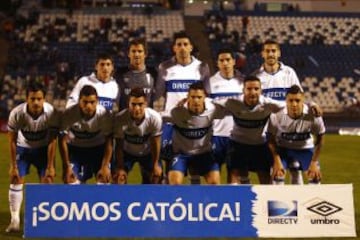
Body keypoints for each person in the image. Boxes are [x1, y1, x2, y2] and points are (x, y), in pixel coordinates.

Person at [154, 31, 211, 184]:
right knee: (168, 161)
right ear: (174, 48)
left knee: (195, 164)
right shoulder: (165, 67)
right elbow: (158, 95)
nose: (182, 48)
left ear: (191, 47)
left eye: (185, 44)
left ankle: (194, 198)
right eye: (179, 45)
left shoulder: (202, 67)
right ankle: (167, 196)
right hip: (171, 122)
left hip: (194, 122)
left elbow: (208, 95)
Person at [6, 81, 59, 232]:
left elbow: (52, 141)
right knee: (16, 178)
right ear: (26, 99)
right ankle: (15, 220)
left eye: (39, 99)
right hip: (23, 149)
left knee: (48, 181)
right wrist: (13, 166)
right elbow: (11, 141)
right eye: (32, 99)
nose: (36, 102)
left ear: (44, 99)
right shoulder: (17, 113)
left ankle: (44, 220)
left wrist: (50, 166)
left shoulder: (51, 113)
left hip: (43, 149)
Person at [214, 76, 284, 184]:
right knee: (233, 175)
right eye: (249, 89)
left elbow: (289, 106)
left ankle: (265, 199)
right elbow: (211, 102)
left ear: (261, 90)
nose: (253, 92)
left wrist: (312, 105)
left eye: (256, 89)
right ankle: (233, 199)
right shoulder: (232, 101)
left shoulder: (269, 104)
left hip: (259, 144)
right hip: (237, 144)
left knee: (265, 178)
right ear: (243, 90)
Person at [253, 39, 305, 184]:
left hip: (290, 128)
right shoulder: (256, 76)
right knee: (276, 171)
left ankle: (298, 202)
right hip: (268, 131)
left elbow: (298, 96)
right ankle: (276, 205)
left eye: (273, 51)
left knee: (296, 169)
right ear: (262, 54)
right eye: (267, 51)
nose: (270, 54)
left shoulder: (289, 73)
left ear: (279, 53)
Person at [163, 82, 222, 185]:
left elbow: (232, 108)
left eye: (199, 97)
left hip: (204, 153)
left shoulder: (214, 109)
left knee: (215, 183)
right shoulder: (177, 112)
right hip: (182, 154)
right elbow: (156, 117)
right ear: (188, 97)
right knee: (174, 184)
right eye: (193, 97)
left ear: (205, 98)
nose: (196, 100)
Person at [267, 85, 325, 185]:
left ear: (303, 100)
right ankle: (280, 200)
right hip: (283, 149)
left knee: (314, 177)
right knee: (277, 175)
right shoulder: (276, 115)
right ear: (286, 101)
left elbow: (320, 139)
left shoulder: (313, 115)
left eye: (297, 100)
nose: (294, 104)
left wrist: (314, 162)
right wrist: (276, 160)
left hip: (305, 150)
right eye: (291, 100)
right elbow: (270, 139)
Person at [59, 85, 113, 184]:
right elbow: (62, 140)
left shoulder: (104, 115)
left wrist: (105, 165)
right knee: (71, 183)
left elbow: (109, 141)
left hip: (98, 150)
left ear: (97, 101)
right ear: (79, 101)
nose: (88, 106)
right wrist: (66, 166)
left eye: (92, 102)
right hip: (76, 150)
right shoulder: (69, 114)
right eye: (85, 102)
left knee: (104, 182)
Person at [205, 48, 244, 183]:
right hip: (215, 135)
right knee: (213, 181)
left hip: (236, 136)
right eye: (222, 60)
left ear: (233, 62)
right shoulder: (210, 82)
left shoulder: (243, 82)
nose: (225, 63)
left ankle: (232, 204)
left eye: (228, 60)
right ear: (217, 63)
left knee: (234, 178)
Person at [113, 88, 163, 184]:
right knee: (118, 178)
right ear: (128, 104)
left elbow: (155, 143)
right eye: (133, 104)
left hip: (147, 154)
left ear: (146, 104)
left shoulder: (155, 118)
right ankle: (121, 198)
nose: (136, 108)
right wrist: (120, 167)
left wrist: (155, 164)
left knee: (156, 177)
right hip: (127, 153)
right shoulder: (120, 118)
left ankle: (149, 198)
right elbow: (119, 146)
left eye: (140, 104)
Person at [117, 38, 157, 109]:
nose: (136, 54)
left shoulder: (153, 73)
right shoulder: (119, 74)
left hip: (146, 118)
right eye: (133, 51)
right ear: (128, 54)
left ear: (145, 54)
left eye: (139, 51)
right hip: (125, 118)